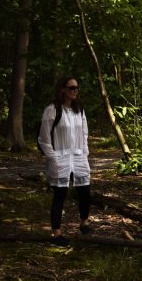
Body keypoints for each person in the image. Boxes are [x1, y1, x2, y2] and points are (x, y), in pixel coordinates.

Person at [38, 76, 92, 247]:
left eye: (76, 88)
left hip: (78, 157)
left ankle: (84, 223)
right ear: (62, 90)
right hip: (60, 158)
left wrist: (85, 153)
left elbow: (84, 133)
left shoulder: (79, 109)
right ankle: (56, 233)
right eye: (71, 88)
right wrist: (53, 158)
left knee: (85, 192)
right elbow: (43, 139)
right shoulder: (52, 110)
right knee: (60, 195)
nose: (75, 91)